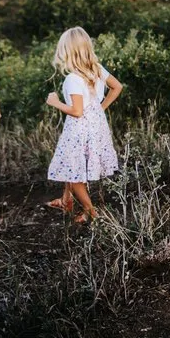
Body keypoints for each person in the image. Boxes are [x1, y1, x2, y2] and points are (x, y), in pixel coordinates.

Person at [45, 27, 123, 224]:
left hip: (79, 130)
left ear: (67, 51)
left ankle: (91, 213)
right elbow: (117, 87)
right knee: (73, 164)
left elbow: (77, 111)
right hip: (95, 127)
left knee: (74, 173)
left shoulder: (72, 79)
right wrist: (99, 108)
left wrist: (55, 102)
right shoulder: (96, 69)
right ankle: (66, 200)